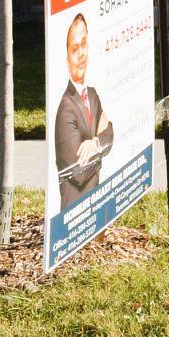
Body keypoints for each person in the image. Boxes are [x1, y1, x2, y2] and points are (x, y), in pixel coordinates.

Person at [53, 12, 114, 207]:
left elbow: (110, 133)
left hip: (94, 203)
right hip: (76, 213)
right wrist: (101, 147)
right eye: (74, 48)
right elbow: (78, 172)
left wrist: (95, 143)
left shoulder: (93, 95)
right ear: (66, 58)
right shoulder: (66, 109)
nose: (81, 53)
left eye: (84, 44)